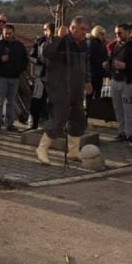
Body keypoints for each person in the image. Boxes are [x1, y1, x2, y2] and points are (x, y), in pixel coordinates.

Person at [35, 17, 92, 164]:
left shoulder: (83, 44)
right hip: (60, 87)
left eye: (86, 29)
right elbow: (45, 52)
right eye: (83, 30)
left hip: (76, 87)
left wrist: (87, 80)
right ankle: (42, 149)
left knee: (78, 118)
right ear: (73, 29)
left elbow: (86, 63)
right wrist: (57, 38)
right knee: (58, 119)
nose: (85, 33)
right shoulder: (61, 41)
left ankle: (73, 151)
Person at [106, 23, 132, 144]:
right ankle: (121, 133)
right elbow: (113, 60)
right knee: (118, 109)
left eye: (119, 33)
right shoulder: (116, 45)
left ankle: (129, 134)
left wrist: (127, 66)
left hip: (129, 83)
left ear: (127, 33)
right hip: (116, 80)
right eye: (115, 33)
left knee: (129, 110)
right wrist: (108, 65)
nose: (117, 35)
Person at [0, 23, 28, 133]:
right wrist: (1, 60)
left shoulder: (19, 45)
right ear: (3, 33)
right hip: (1, 76)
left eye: (10, 34)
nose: (8, 35)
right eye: (6, 33)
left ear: (13, 33)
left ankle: (9, 124)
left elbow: (24, 60)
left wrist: (20, 70)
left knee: (11, 102)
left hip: (15, 77)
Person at [28, 23, 54, 129]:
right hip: (40, 76)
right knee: (36, 101)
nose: (46, 32)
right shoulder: (39, 42)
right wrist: (39, 61)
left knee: (52, 102)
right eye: (44, 29)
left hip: (53, 77)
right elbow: (30, 57)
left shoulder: (58, 42)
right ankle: (33, 123)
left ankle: (50, 123)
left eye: (47, 29)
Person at [88, 25, 108, 99]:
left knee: (97, 92)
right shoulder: (92, 43)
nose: (103, 36)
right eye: (102, 34)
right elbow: (92, 57)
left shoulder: (101, 43)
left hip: (99, 72)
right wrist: (102, 64)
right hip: (94, 73)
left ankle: (96, 108)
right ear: (97, 33)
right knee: (92, 93)